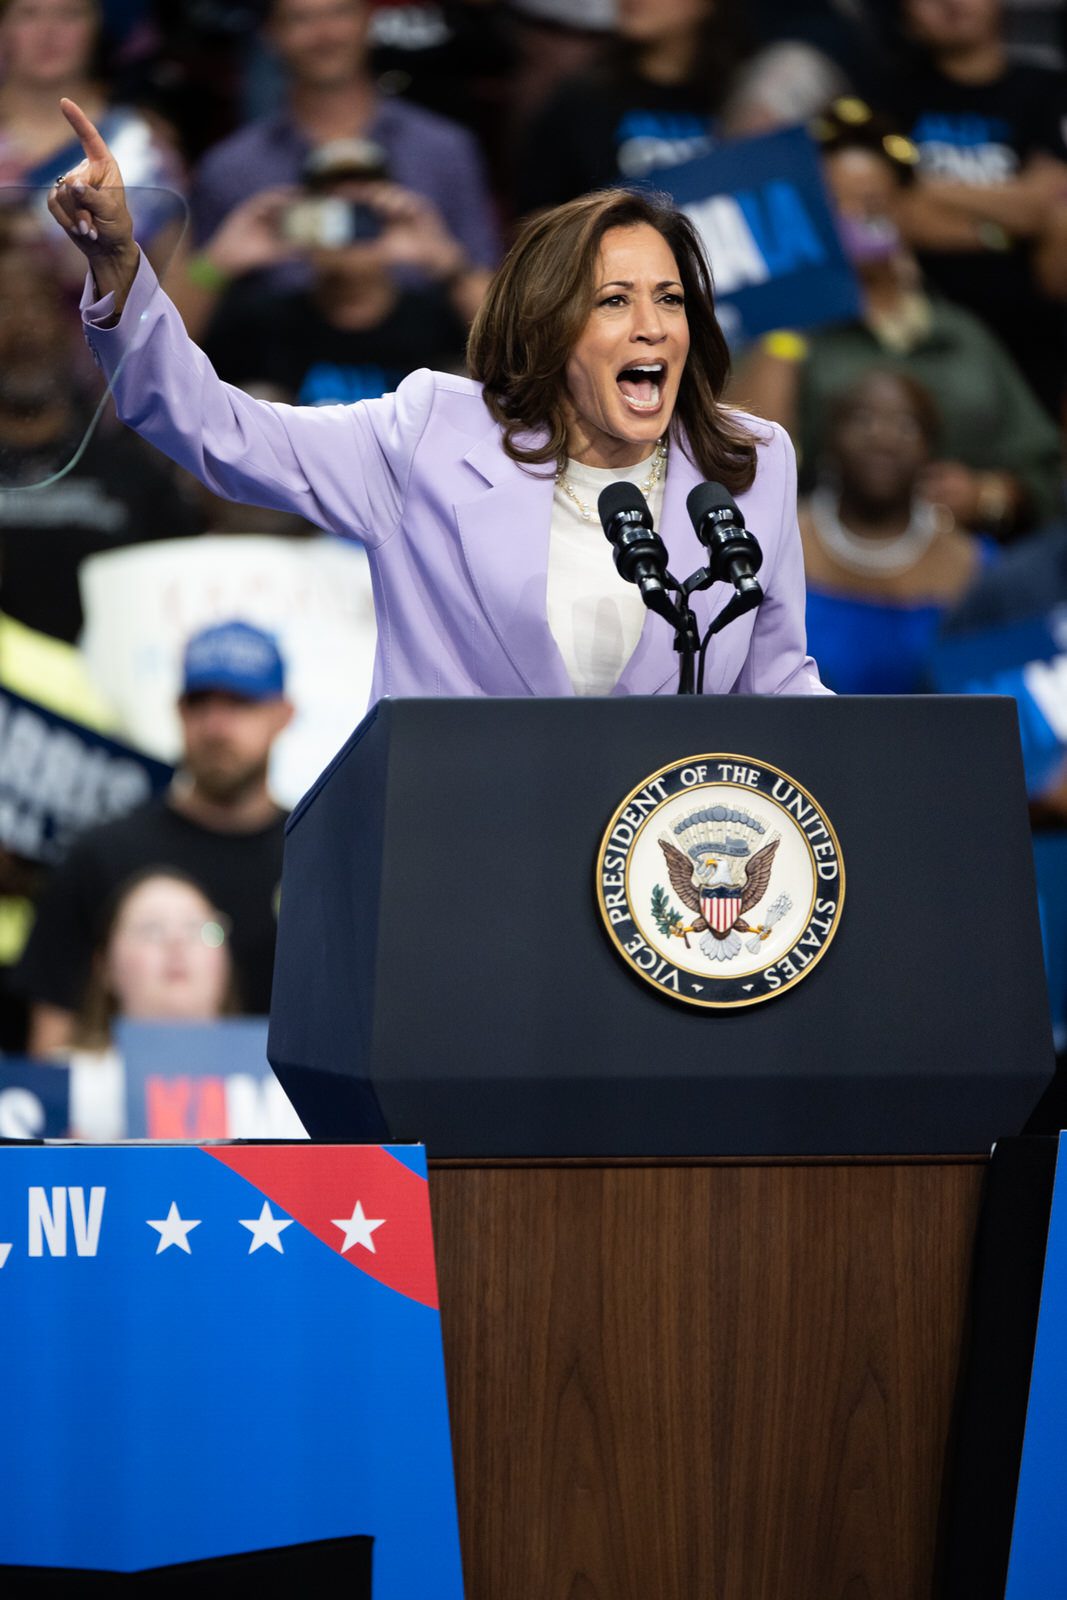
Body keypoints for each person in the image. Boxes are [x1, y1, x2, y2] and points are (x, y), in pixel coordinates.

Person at [47, 97, 825, 708]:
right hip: (459, 859)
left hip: (655, 881)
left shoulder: (747, 466)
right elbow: (216, 430)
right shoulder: (429, 439)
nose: (652, 327)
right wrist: (120, 263)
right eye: (614, 301)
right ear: (550, 325)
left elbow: (780, 683)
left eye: (671, 299)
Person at [731, 101, 1064, 536]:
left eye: (871, 202)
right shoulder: (787, 335)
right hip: (824, 568)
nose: (853, 219)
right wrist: (793, 310)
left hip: (961, 564)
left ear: (903, 211)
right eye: (834, 205)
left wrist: (988, 495)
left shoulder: (960, 333)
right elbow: (749, 471)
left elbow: (1042, 464)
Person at [17, 616, 292, 1054]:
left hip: (285, 1117)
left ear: (283, 714)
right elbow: (52, 1047)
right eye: (200, 703)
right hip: (126, 1117)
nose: (216, 727)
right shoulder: (102, 853)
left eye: (240, 703)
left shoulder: (318, 858)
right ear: (178, 711)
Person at [187, 0, 498, 302]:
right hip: (277, 349)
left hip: (428, 350)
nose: (325, 34)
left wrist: (448, 264)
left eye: (340, 13)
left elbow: (505, 327)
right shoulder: (230, 167)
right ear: (270, 34)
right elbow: (166, 339)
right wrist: (216, 266)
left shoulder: (444, 149)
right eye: (301, 19)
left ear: (368, 21)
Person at [867, 0, 1067, 417]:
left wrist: (931, 188)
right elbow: (896, 216)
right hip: (920, 326)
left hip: (1039, 331)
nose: (951, 4)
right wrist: (1011, 225)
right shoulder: (887, 95)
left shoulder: (1049, 88)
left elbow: (1047, 203)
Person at [800, 368, 997, 693]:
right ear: (830, 437)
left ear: (931, 448)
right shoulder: (777, 545)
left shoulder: (978, 565)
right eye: (863, 420)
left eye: (907, 426)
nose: (883, 439)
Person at [0, 0, 184, 264]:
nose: (48, 31)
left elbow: (174, 280)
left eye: (70, 14)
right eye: (28, 14)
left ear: (98, 26)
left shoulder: (142, 143)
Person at [62, 866, 237, 1139]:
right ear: (105, 965)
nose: (177, 942)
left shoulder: (283, 1089)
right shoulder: (61, 1083)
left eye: (197, 928)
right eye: (151, 930)